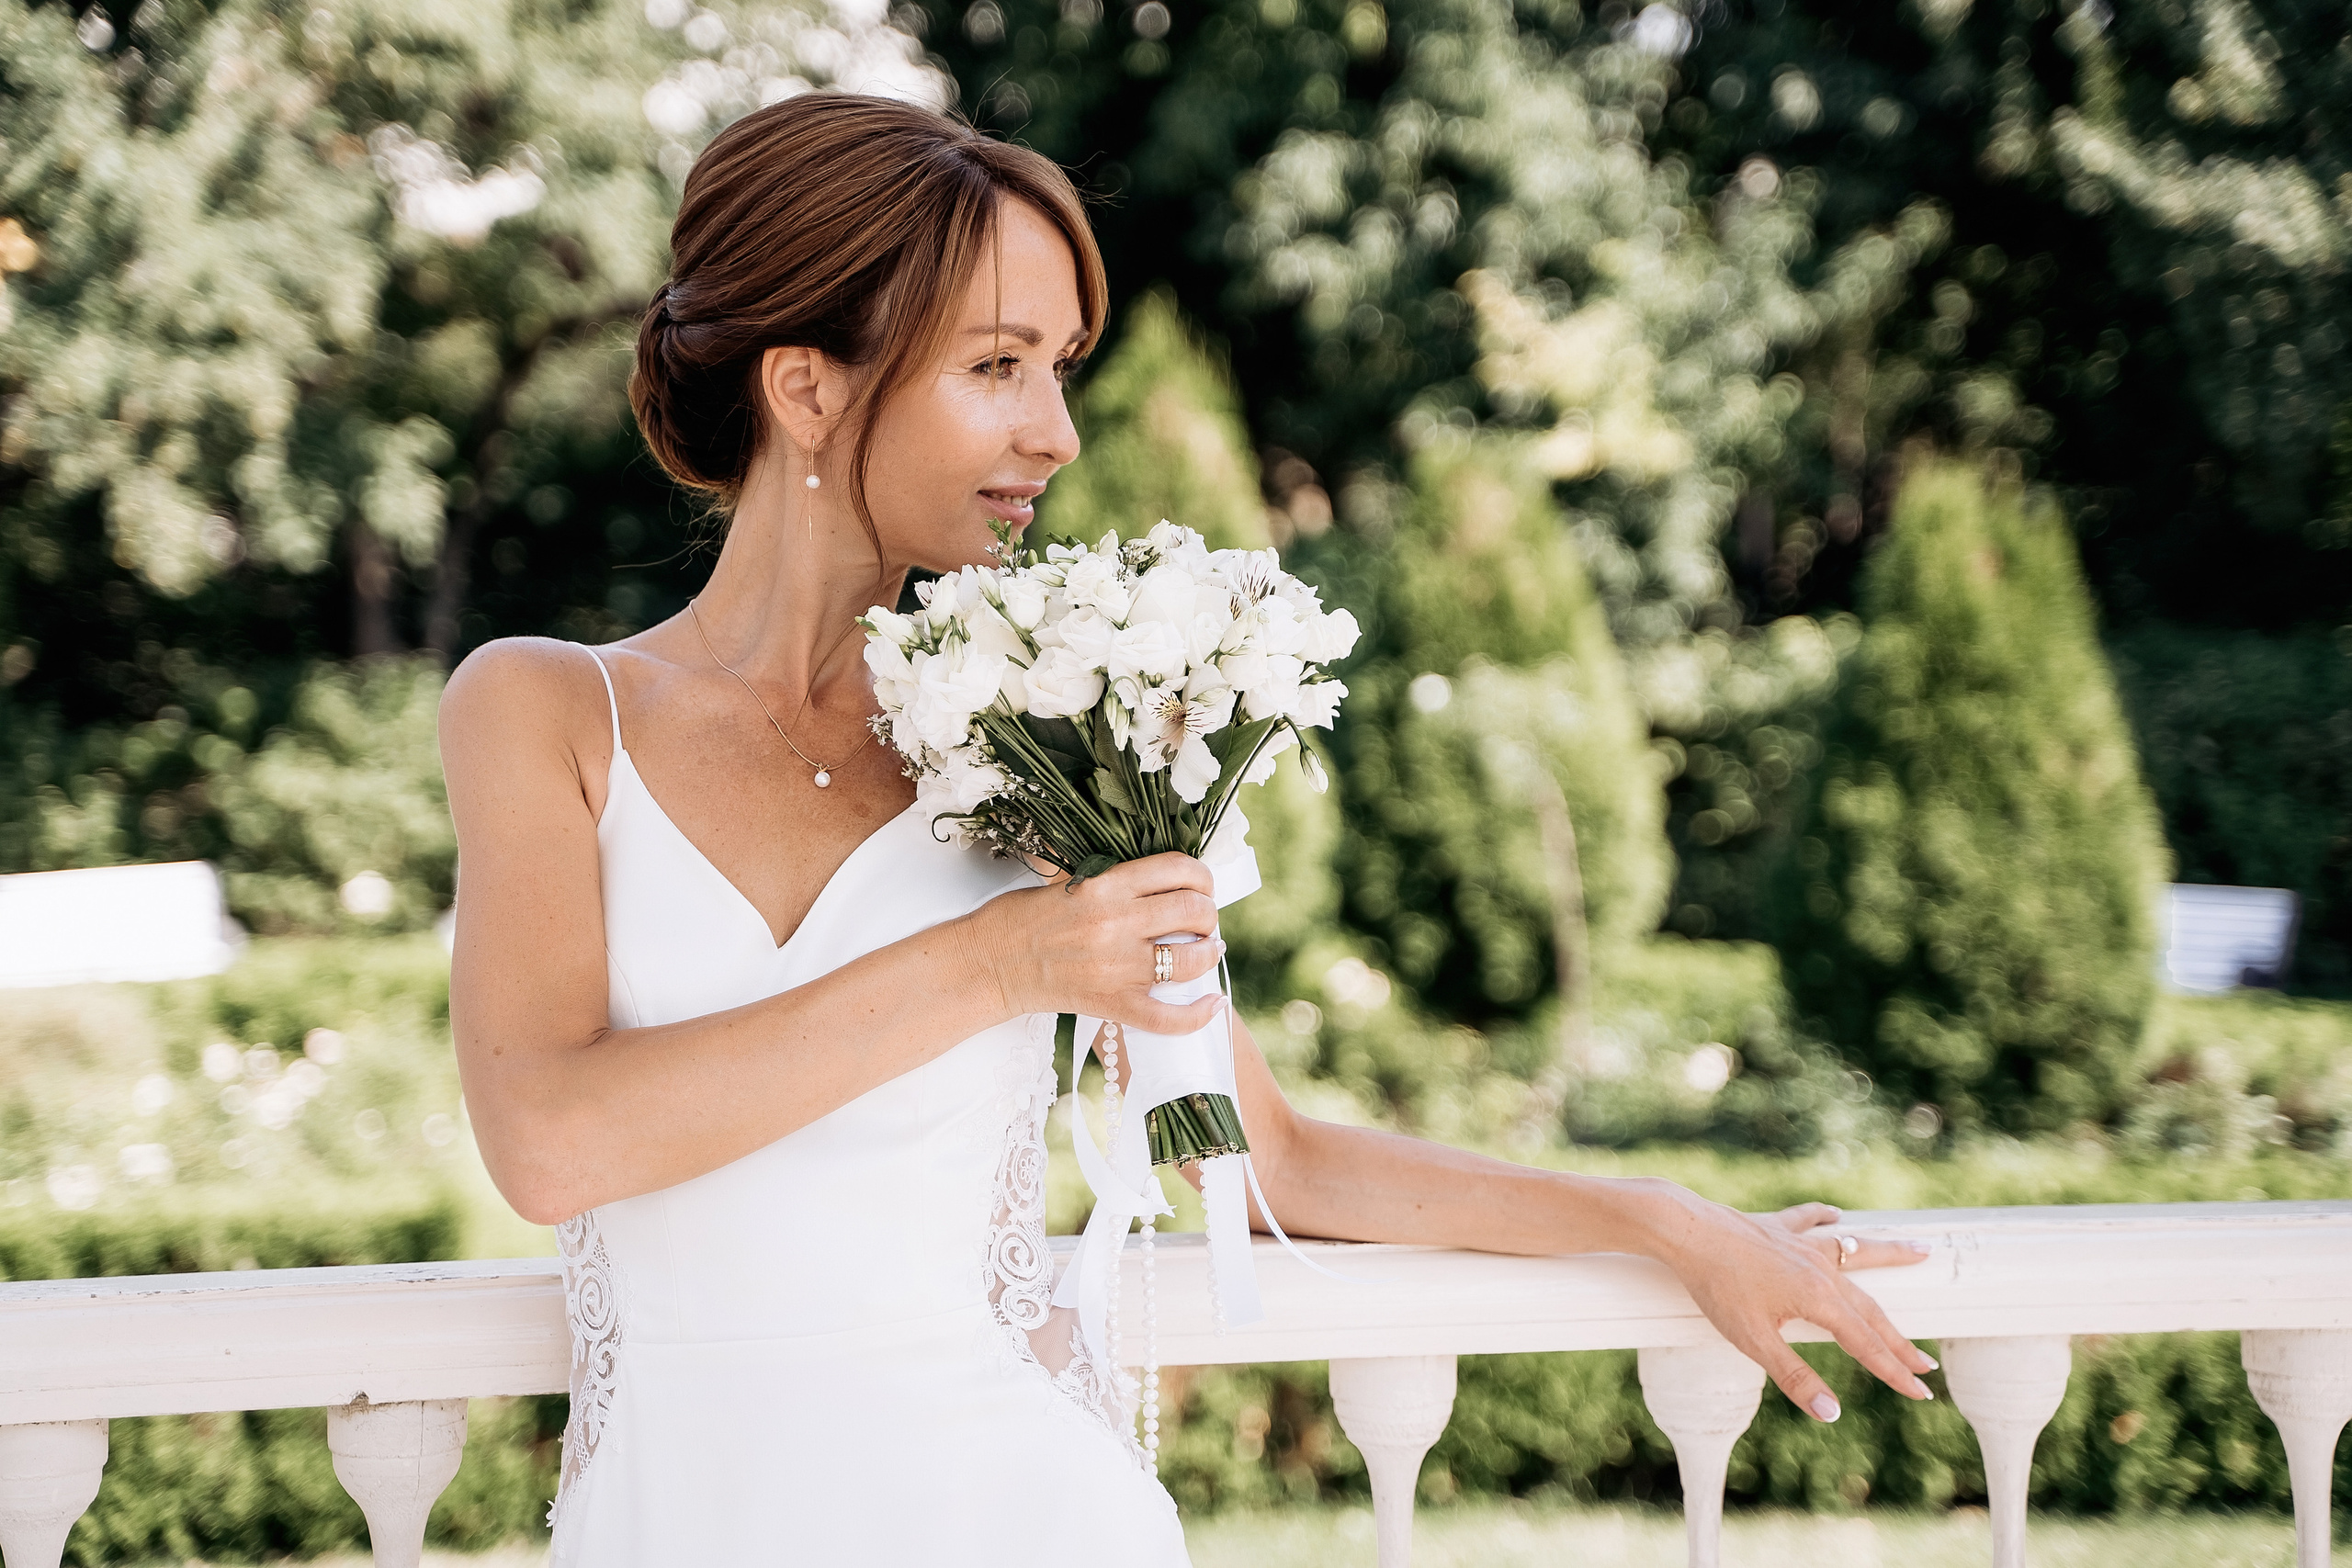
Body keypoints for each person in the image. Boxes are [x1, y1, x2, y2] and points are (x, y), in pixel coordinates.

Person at [438, 93, 1933, 1566]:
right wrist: (1005, 966)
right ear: (807, 387)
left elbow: (1270, 1162)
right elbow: (554, 1142)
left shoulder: (1050, 743)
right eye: (1000, 365)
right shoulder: (548, 714)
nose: (1059, 431)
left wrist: (1662, 1216)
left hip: (1016, 1520)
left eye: (1060, 368)